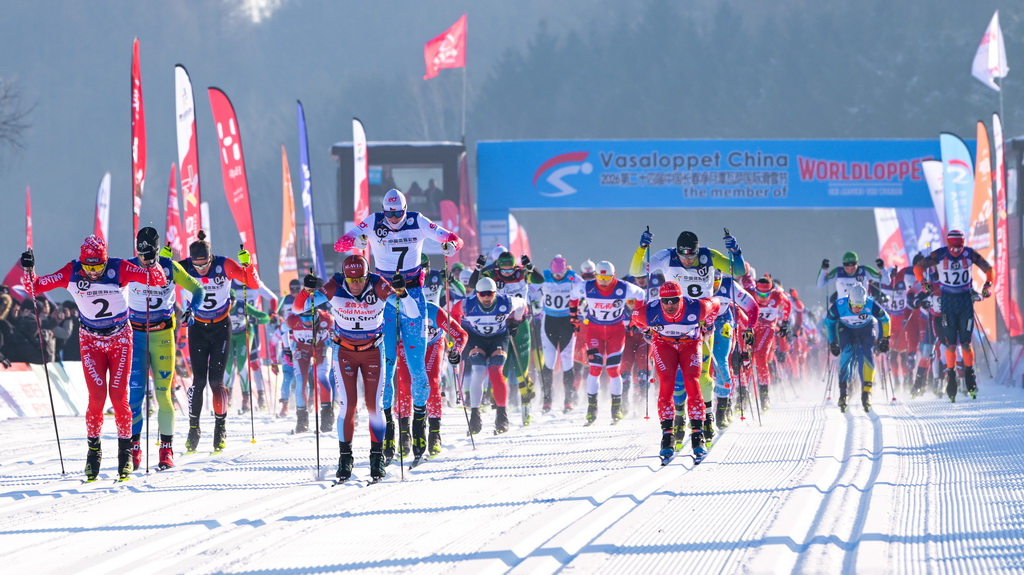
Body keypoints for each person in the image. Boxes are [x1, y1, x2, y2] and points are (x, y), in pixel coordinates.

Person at [21, 235, 166, 481]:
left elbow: (158, 280)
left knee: (119, 398)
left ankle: (125, 454)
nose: (93, 272)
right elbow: (34, 287)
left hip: (120, 339)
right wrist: (28, 268)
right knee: (97, 398)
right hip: (90, 341)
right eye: (88, 267)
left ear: (105, 260)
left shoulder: (118, 267)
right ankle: (93, 453)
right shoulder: (72, 271)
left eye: (98, 266)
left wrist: (152, 262)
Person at [334, 188, 462, 457]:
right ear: (383, 210)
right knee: (387, 365)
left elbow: (452, 238)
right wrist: (350, 241)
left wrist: (451, 244)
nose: (393, 219)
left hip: (412, 293)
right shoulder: (373, 221)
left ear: (405, 209)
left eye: (398, 213)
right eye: (389, 213)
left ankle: (419, 424)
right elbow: (342, 243)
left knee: (417, 367)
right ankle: (390, 430)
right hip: (383, 294)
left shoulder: (417, 220)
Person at [294, 255, 413, 481]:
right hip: (344, 352)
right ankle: (345, 458)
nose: (355, 284)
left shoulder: (378, 285)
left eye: (360, 279)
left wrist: (402, 293)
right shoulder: (335, 285)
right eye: (351, 280)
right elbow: (300, 307)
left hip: (373, 351)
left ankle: (376, 458)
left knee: (374, 407)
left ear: (367, 276)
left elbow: (412, 312)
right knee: (348, 406)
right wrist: (306, 291)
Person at [630, 228, 744, 436]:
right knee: (675, 378)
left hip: (700, 320)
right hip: (671, 320)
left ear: (697, 251)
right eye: (683, 256)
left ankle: (707, 417)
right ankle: (679, 418)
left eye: (691, 256)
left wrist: (736, 252)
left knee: (700, 375)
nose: (688, 260)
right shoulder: (666, 256)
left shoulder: (708, 255)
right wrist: (642, 248)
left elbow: (738, 271)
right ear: (677, 252)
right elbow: (638, 271)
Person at [126, 227, 205, 471]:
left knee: (163, 395)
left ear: (158, 251)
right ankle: (134, 448)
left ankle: (166, 449)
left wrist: (192, 310)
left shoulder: (170, 267)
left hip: (162, 335)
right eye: (142, 255)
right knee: (135, 398)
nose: (145, 261)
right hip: (136, 335)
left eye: (150, 257)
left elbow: (198, 289)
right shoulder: (127, 266)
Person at [179, 231, 260, 453]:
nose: (201, 269)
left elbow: (252, 283)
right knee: (198, 382)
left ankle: (220, 427)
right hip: (197, 328)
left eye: (204, 264)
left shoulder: (224, 264)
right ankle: (193, 428)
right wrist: (163, 263)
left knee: (216, 382)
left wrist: (249, 264)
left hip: (221, 328)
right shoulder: (184, 266)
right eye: (196, 265)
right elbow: (158, 282)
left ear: (210, 258)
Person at [630, 281, 720, 462]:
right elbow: (634, 317)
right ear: (660, 300)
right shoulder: (649, 312)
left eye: (674, 300)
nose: (669, 305)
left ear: (681, 299)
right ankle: (667, 437)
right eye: (665, 301)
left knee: (692, 382)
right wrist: (646, 331)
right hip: (663, 344)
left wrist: (708, 325)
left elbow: (716, 303)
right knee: (666, 385)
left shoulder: (697, 307)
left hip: (690, 344)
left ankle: (697, 435)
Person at [913, 229, 994, 400]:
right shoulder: (940, 254)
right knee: (949, 344)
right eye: (953, 247)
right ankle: (951, 377)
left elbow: (989, 269)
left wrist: (987, 285)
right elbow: (918, 267)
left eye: (959, 247)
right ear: (948, 244)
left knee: (965, 343)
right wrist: (924, 283)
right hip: (948, 302)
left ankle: (970, 376)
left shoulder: (969, 253)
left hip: (965, 301)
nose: (956, 251)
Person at [470, 250, 544, 423]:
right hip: (501, 322)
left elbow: (540, 280)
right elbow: (474, 284)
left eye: (510, 269)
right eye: (503, 270)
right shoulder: (491, 274)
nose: (507, 273)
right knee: (500, 367)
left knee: (520, 369)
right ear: (498, 267)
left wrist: (530, 266)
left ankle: (526, 398)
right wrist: (478, 267)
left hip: (521, 322)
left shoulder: (522, 272)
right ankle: (499, 406)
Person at [569, 261, 646, 425]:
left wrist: (635, 318)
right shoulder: (587, 286)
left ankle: (616, 408)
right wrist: (574, 317)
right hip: (594, 331)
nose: (603, 281)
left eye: (607, 277)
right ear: (596, 275)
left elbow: (640, 295)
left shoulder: (623, 287)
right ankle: (591, 409)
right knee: (595, 368)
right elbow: (573, 296)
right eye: (600, 277)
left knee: (613, 370)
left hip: (616, 332)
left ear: (614, 276)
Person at [450, 276, 527, 434]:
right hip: (477, 338)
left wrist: (515, 322)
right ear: (476, 294)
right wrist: (458, 333)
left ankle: (501, 416)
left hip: (499, 337)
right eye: (481, 294)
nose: (485, 298)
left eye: (489, 294)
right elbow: (453, 314)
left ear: (495, 293)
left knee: (495, 371)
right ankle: (475, 416)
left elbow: (522, 304)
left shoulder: (506, 302)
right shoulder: (467, 304)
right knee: (478, 372)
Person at [824, 284, 891, 412]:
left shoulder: (870, 304)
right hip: (846, 329)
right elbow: (828, 323)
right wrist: (833, 342)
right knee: (847, 353)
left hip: (866, 329)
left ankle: (866, 393)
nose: (857, 309)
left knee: (867, 355)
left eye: (861, 306)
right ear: (849, 301)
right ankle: (844, 393)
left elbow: (885, 319)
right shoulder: (840, 304)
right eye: (855, 306)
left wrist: (885, 339)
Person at [534, 255, 579, 413]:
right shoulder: (545, 277)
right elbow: (529, 284)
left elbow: (588, 289)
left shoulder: (573, 278)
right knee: (548, 363)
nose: (558, 277)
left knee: (568, 363)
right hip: (549, 324)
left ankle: (568, 400)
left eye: (561, 274)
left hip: (567, 323)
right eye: (556, 274)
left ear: (566, 270)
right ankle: (547, 400)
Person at [286, 291, 333, 433]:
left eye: (310, 317)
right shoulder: (292, 320)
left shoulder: (328, 319)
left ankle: (326, 418)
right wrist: (287, 350)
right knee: (301, 381)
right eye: (303, 317)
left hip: (321, 349)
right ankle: (302, 420)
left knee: (322, 377)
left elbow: (337, 337)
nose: (306, 321)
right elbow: (283, 334)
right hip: (302, 350)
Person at [751, 276, 792, 410]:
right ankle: (743, 393)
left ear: (771, 291)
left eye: (766, 294)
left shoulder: (777, 296)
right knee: (745, 359)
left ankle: (764, 395)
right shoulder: (749, 294)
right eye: (759, 294)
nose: (762, 297)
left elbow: (788, 304)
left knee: (761, 357)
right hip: (750, 329)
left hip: (767, 328)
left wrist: (785, 324)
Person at [817, 251, 886, 302]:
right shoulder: (838, 272)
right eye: (847, 268)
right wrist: (824, 269)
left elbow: (887, 281)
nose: (850, 271)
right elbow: (820, 285)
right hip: (843, 309)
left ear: (857, 264)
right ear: (843, 265)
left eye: (853, 268)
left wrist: (882, 268)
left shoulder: (865, 270)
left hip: (862, 308)